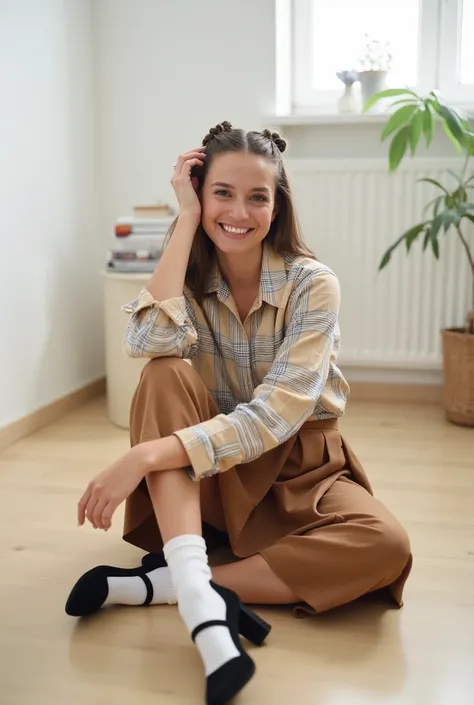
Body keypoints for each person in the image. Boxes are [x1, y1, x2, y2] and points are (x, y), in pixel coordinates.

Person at [66, 121, 413, 705]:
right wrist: (182, 221)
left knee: (386, 545)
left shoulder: (314, 285)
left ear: (277, 208)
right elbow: (145, 342)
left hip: (302, 466)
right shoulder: (192, 279)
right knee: (163, 373)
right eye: (221, 192)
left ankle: (172, 583)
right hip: (215, 475)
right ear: (200, 194)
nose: (239, 211)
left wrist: (146, 454)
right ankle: (204, 606)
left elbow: (278, 414)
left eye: (258, 196)